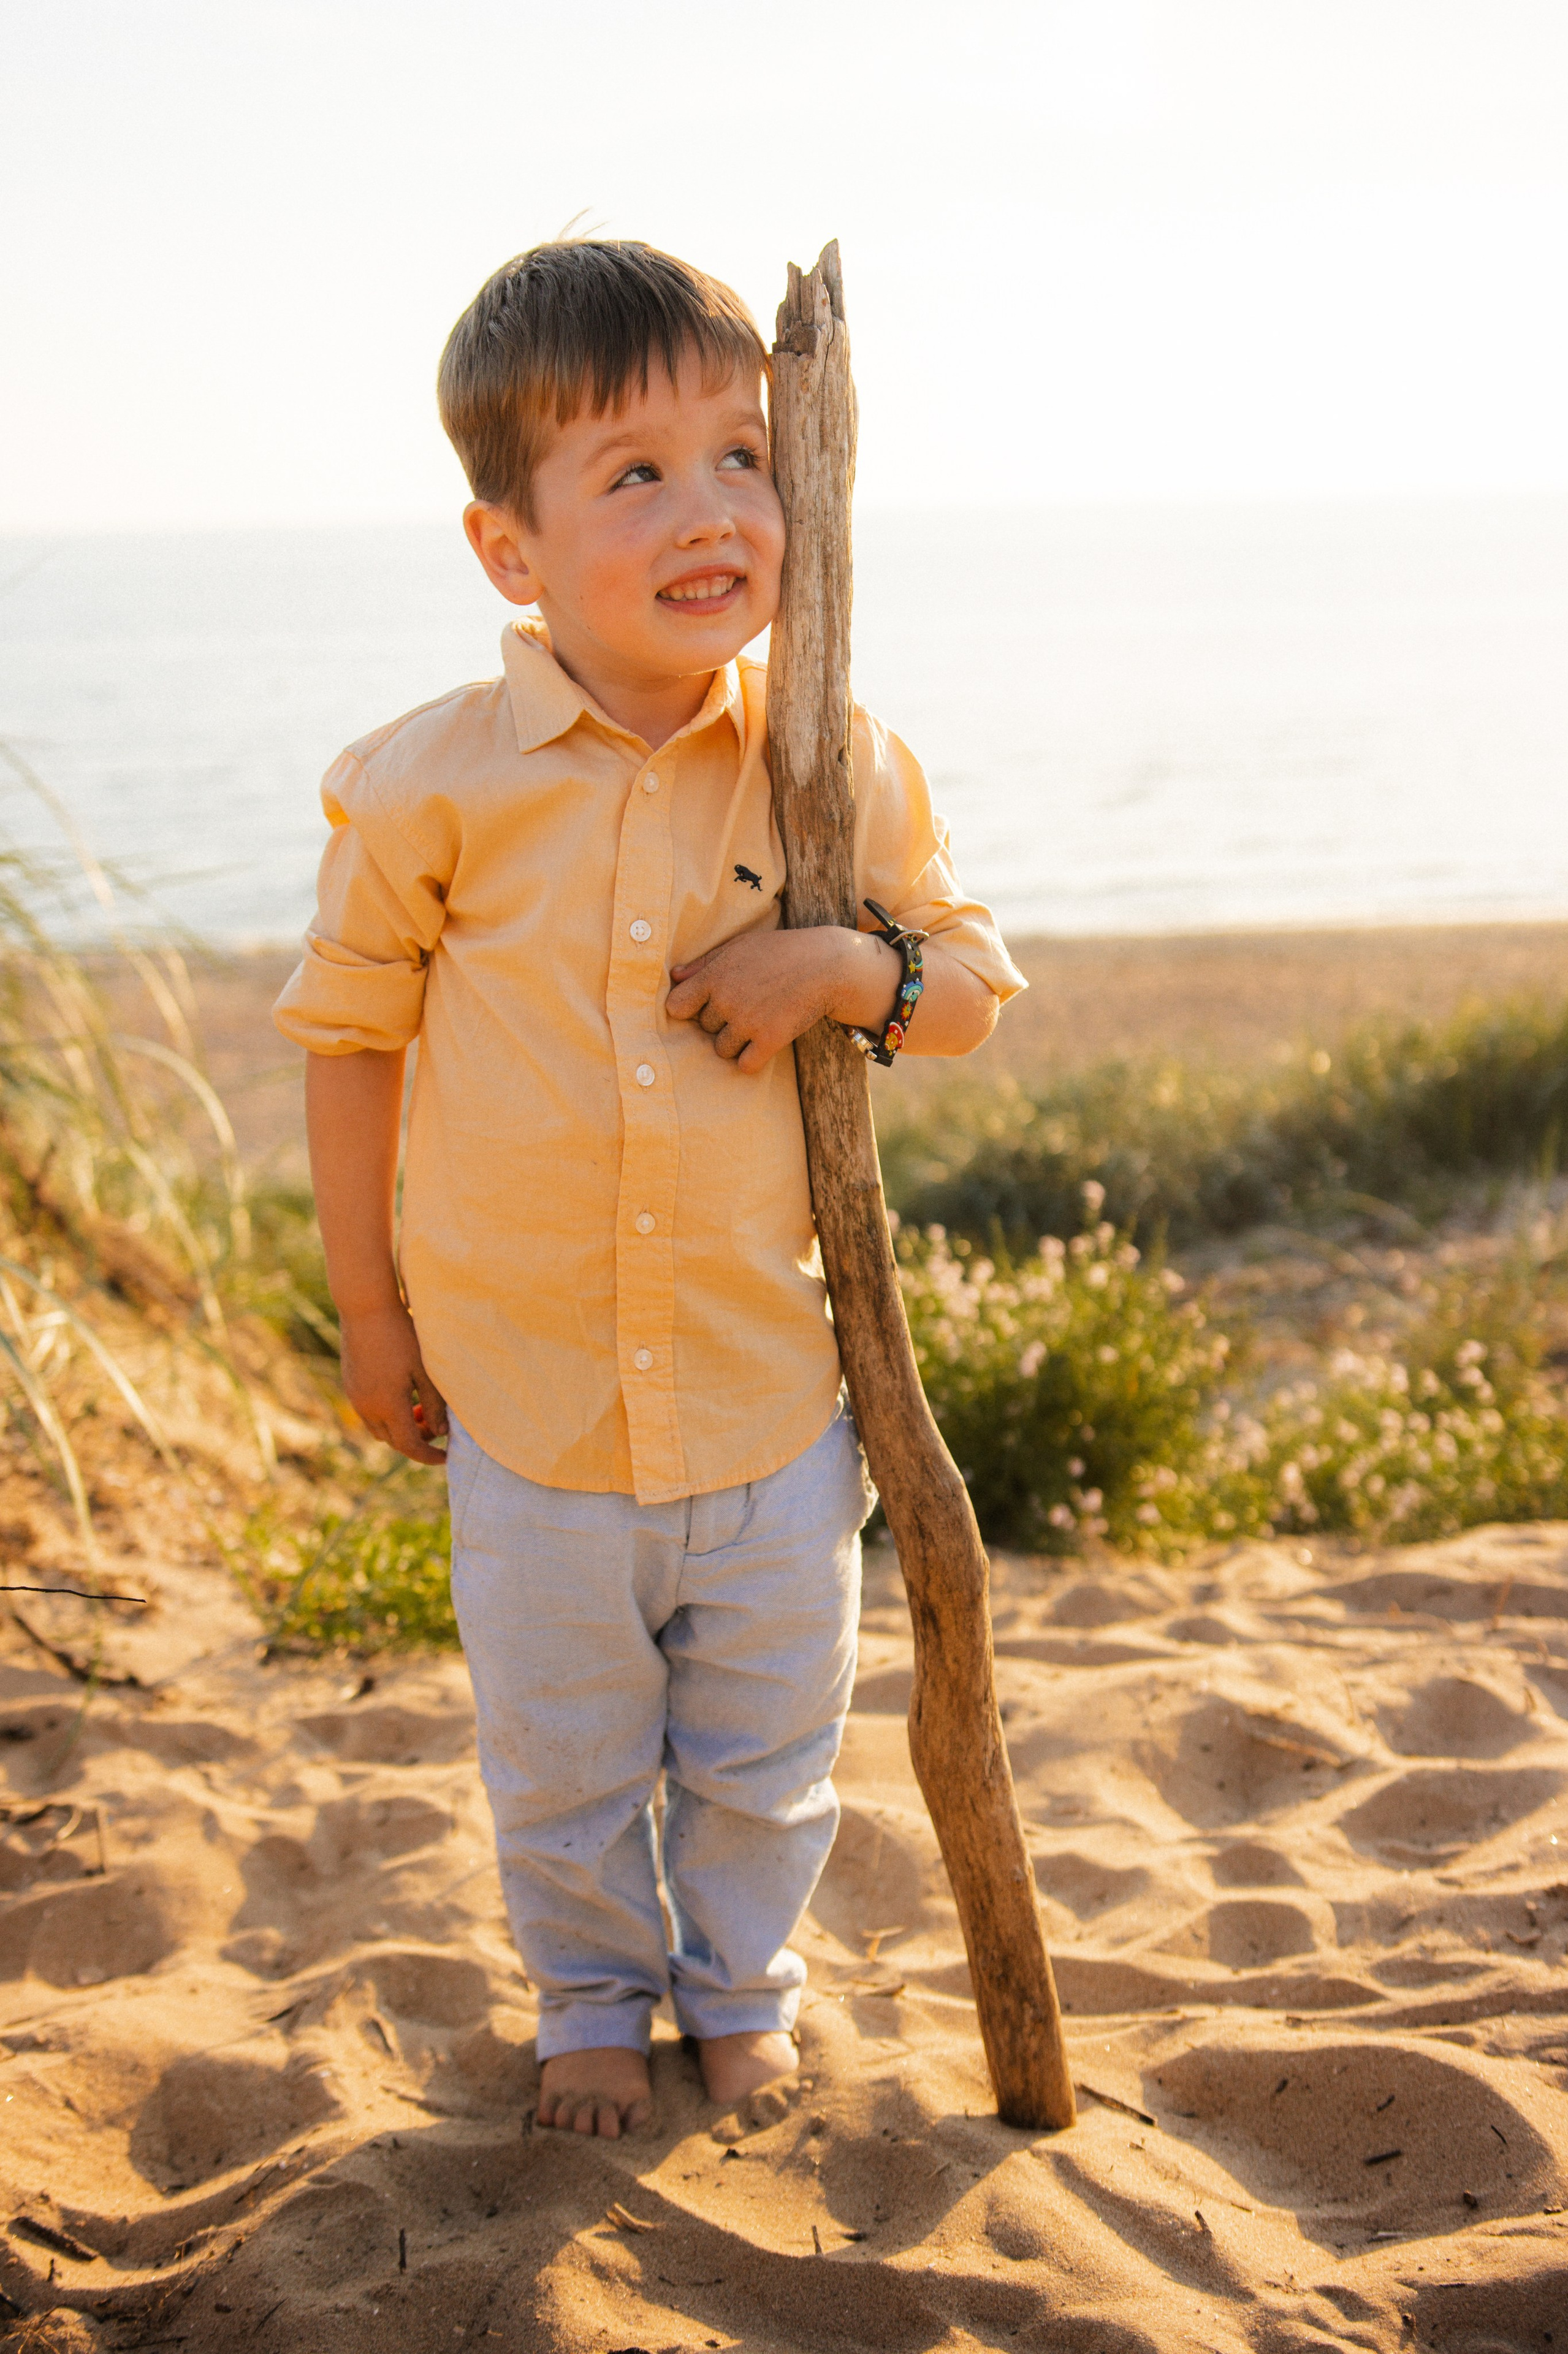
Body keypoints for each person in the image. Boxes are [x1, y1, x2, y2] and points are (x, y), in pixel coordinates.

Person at [274, 238, 1025, 2140]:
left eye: (744, 457)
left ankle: (741, 1992)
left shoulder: (826, 760)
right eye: (635, 474)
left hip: (771, 1394)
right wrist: (371, 1315)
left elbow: (967, 990)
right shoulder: (431, 787)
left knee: (768, 1752)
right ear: (508, 550)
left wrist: (838, 966)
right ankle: (595, 2001)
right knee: (564, 1753)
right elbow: (349, 1042)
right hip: (527, 1399)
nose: (710, 511)